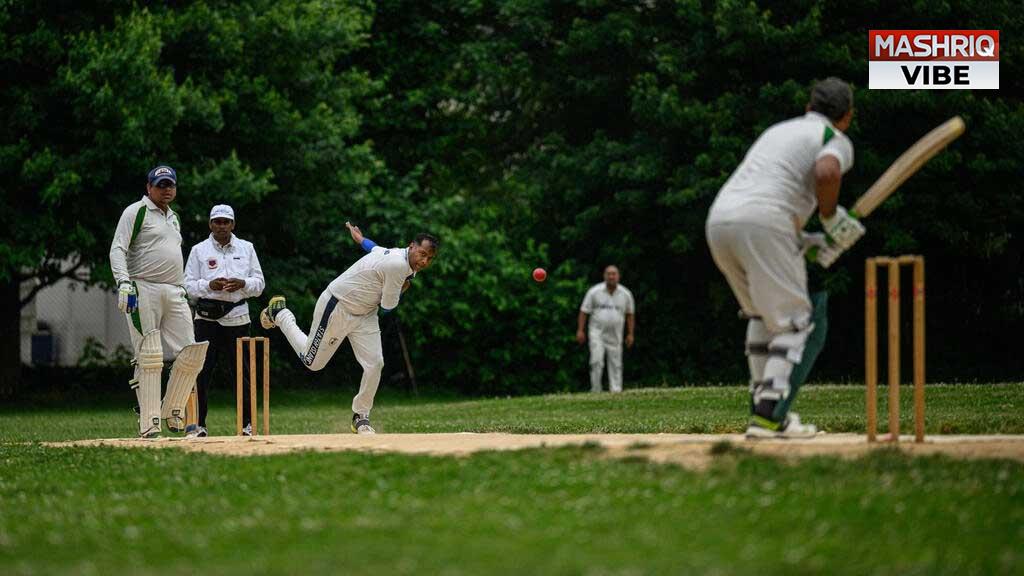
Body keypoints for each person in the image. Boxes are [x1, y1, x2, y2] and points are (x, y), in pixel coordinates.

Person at [705, 77, 865, 439]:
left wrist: (809, 239)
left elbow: (772, 188)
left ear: (808, 108)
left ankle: (766, 409)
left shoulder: (779, 131)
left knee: (763, 314)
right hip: (767, 221)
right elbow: (827, 172)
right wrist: (829, 218)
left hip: (720, 220)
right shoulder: (833, 139)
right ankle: (768, 415)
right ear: (847, 117)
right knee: (796, 323)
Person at [259, 222, 438, 434]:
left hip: (365, 314)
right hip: (338, 306)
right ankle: (280, 314)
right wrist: (403, 289)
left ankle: (361, 416)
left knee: (375, 363)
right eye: (422, 254)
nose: (424, 261)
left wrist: (360, 239)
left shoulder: (401, 257)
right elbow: (388, 307)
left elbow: (373, 247)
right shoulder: (398, 266)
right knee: (312, 362)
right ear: (411, 246)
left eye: (429, 258)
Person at [110, 165, 208, 438]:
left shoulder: (173, 217)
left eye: (170, 185)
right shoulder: (136, 211)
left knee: (192, 352)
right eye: (161, 185)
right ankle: (149, 424)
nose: (166, 189)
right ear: (149, 187)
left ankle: (171, 408)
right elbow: (118, 249)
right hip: (143, 288)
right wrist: (124, 282)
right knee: (150, 355)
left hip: (174, 290)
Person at [184, 205, 266, 437]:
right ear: (210, 224)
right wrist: (208, 285)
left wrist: (243, 284)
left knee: (243, 373)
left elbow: (259, 284)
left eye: (226, 222)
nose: (221, 226)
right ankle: (198, 425)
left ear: (233, 224)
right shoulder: (199, 250)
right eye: (217, 222)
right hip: (206, 318)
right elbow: (187, 286)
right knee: (202, 372)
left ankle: (247, 425)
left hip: (238, 317)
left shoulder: (246, 248)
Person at [576, 265, 635, 393]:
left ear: (618, 276)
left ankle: (616, 390)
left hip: (615, 334)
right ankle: (596, 389)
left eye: (614, 274)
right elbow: (584, 311)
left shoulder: (625, 294)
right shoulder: (594, 292)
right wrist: (580, 330)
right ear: (604, 276)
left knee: (616, 363)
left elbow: (630, 314)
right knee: (596, 360)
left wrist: (630, 334)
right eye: (609, 274)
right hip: (597, 332)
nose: (611, 276)